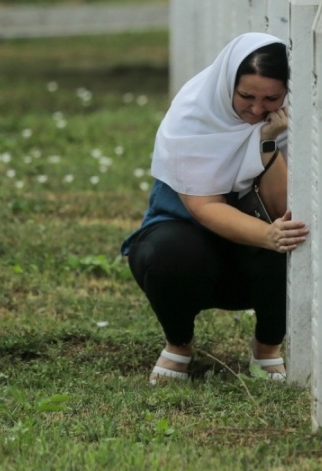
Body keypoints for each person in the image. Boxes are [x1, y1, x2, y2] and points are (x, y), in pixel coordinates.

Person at [121, 33, 309, 384]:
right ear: (227, 84)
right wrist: (268, 235)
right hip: (187, 242)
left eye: (272, 98)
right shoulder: (193, 118)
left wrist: (268, 141)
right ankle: (179, 343)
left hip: (247, 251)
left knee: (294, 240)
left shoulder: (283, 122)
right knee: (170, 252)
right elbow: (205, 208)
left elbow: (278, 207)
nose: (256, 109)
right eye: (246, 96)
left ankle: (267, 347)